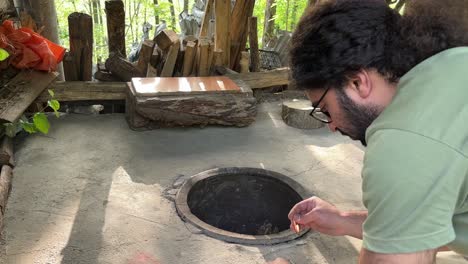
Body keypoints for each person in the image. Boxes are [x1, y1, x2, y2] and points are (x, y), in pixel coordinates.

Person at [279, 0, 468, 263]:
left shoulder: (405, 140)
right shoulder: (449, 68)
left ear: (357, 82)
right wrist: (344, 220)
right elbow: (422, 225)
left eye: (325, 108)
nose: (331, 126)